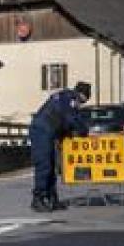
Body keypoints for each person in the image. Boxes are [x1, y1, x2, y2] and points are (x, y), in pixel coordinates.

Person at [29, 81, 91, 212]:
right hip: (42, 131)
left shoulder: (65, 97)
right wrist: (84, 131)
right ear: (82, 95)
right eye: (84, 100)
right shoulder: (69, 99)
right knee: (44, 165)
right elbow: (72, 119)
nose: (82, 104)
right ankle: (38, 199)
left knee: (52, 166)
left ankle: (52, 198)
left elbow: (64, 120)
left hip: (48, 132)